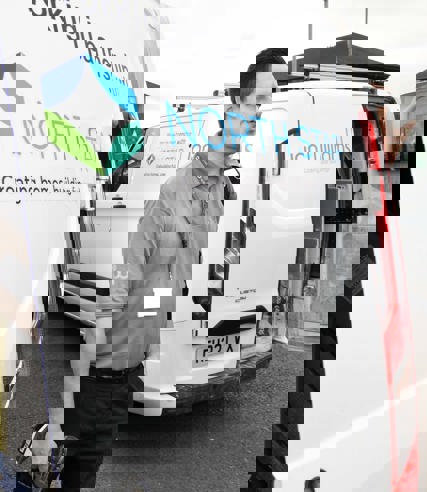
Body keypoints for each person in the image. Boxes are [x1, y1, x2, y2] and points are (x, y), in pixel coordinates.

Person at [24, 48, 289, 491]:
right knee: (85, 428)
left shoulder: (215, 200)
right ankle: (47, 454)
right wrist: (255, 93)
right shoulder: (183, 189)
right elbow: (136, 259)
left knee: (96, 440)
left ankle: (59, 459)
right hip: (121, 342)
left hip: (141, 345)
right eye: (254, 109)